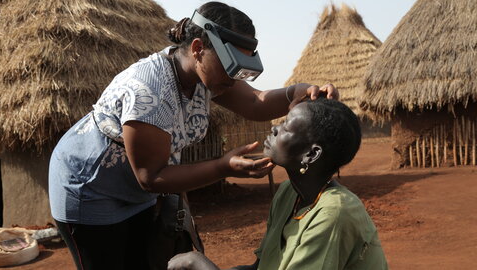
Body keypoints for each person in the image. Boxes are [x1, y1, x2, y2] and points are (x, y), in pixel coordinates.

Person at [48, 2, 339, 270]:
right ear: (198, 48)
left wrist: (297, 90)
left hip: (135, 188)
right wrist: (223, 167)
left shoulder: (208, 77)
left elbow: (255, 102)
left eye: (243, 70)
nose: (235, 78)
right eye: (231, 67)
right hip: (90, 187)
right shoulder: (148, 91)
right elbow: (151, 177)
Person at [167, 98, 388, 270]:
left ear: (311, 154)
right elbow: (259, 267)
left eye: (286, 127)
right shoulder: (289, 193)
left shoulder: (334, 213)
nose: (274, 129)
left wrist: (197, 262)